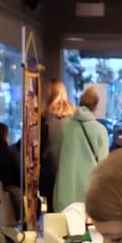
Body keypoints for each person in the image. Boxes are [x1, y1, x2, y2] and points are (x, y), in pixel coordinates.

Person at [54, 85, 108, 212]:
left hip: (64, 192)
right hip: (88, 193)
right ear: (95, 106)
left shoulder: (63, 126)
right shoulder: (100, 130)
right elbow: (103, 166)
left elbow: (55, 156)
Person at [39, 79, 75, 208]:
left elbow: (41, 149)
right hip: (70, 171)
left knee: (52, 211)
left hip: (51, 172)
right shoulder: (74, 116)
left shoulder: (45, 118)